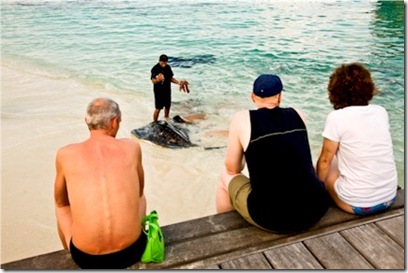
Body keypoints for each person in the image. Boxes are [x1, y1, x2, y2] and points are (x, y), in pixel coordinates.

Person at [216, 74, 330, 233]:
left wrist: (244, 158)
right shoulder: (298, 114)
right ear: (279, 97)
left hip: (272, 218)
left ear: (252, 97)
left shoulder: (242, 118)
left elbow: (232, 168)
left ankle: (225, 232)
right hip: (315, 209)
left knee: (224, 177)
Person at [54, 98, 147, 269]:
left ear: (86, 122)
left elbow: (61, 202)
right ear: (114, 122)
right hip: (132, 251)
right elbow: (139, 192)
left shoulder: (65, 154)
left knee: (60, 206)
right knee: (141, 197)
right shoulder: (132, 147)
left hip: (86, 258)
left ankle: (69, 251)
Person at [316, 62, 398, 216]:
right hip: (389, 197)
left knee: (323, 165)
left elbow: (325, 161)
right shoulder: (381, 112)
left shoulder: (337, 118)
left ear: (335, 91)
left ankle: (320, 196)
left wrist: (319, 185)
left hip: (357, 204)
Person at [150, 54, 188, 122]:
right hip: (159, 91)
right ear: (159, 61)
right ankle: (154, 122)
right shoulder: (155, 69)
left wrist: (178, 83)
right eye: (162, 62)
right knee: (158, 108)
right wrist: (158, 80)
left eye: (165, 62)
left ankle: (166, 118)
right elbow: (153, 81)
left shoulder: (168, 67)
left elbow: (170, 78)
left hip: (167, 90)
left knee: (167, 106)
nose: (164, 64)